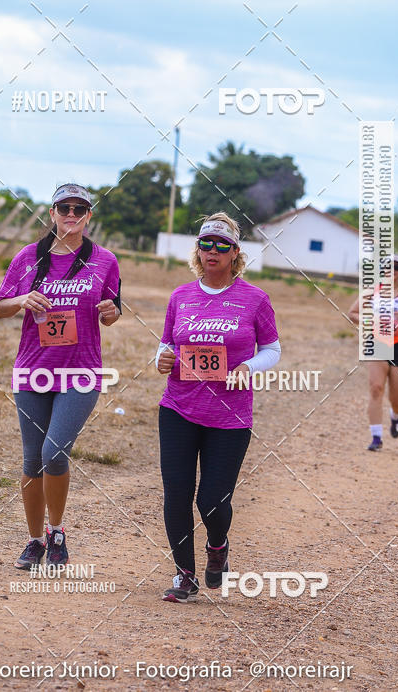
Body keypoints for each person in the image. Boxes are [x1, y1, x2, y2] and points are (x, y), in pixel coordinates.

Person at [0, 183, 121, 569]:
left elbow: (113, 308)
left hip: (80, 373)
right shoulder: (28, 257)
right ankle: (34, 541)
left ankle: (57, 532)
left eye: (79, 208)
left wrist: (111, 313)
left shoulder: (105, 261)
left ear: (88, 216)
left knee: (55, 453)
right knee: (32, 460)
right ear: (51, 213)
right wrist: (20, 300)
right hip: (33, 372)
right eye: (63, 207)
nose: (71, 214)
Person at [156, 213, 281, 602]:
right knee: (177, 493)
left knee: (211, 499)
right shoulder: (180, 296)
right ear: (198, 250)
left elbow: (272, 350)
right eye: (206, 243)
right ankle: (184, 575)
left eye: (221, 245)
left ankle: (217, 546)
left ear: (234, 253)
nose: (213, 251)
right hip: (178, 405)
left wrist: (248, 366)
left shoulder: (254, 299)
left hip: (229, 414)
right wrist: (161, 356)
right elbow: (167, 344)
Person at [348, 253, 398, 451]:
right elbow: (352, 313)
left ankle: (395, 417)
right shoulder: (372, 290)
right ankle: (376, 438)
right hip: (378, 344)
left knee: (396, 399)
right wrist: (371, 321)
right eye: (388, 266)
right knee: (376, 388)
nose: (392, 270)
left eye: (397, 267)